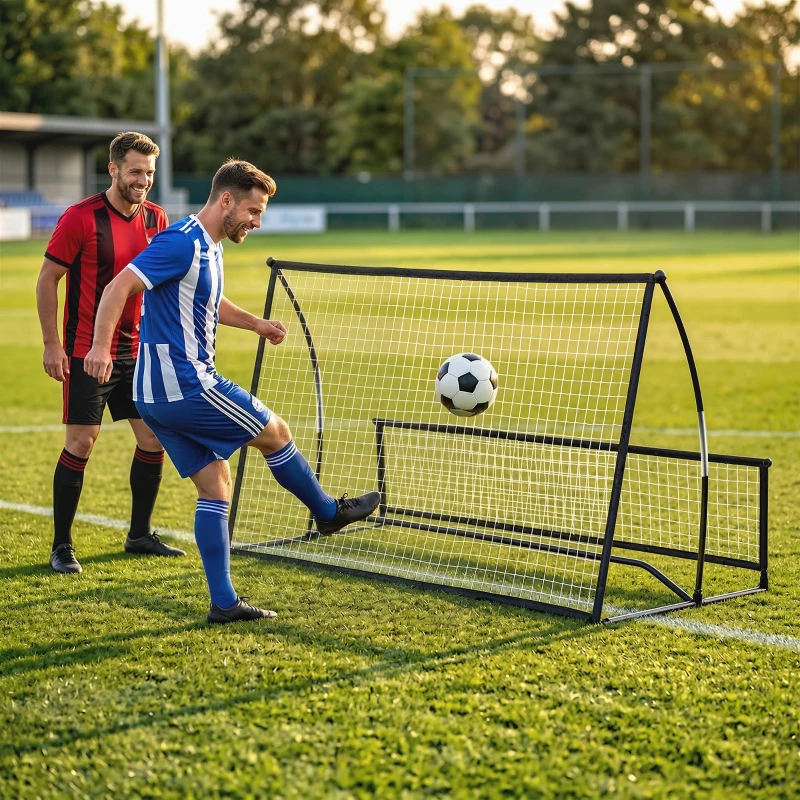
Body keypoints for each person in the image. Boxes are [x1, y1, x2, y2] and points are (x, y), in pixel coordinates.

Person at [84, 159, 380, 624]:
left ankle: (223, 603)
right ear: (226, 200)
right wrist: (100, 347)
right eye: (253, 211)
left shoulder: (209, 246)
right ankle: (327, 512)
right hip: (185, 384)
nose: (256, 222)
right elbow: (118, 286)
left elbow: (208, 301)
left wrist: (256, 324)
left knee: (215, 485)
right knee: (275, 432)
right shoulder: (181, 242)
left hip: (156, 395)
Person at [36, 131, 186, 575]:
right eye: (136, 171)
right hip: (88, 352)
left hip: (139, 353)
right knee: (82, 443)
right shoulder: (80, 218)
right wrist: (51, 344)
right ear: (114, 169)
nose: (143, 180)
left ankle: (139, 534)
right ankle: (61, 546)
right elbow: (47, 280)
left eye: (150, 173)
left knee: (152, 438)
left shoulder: (158, 220)